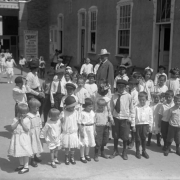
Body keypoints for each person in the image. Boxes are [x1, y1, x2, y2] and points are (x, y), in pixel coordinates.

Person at [110, 79, 135, 160]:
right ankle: (115, 150)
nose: (121, 88)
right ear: (117, 86)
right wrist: (111, 119)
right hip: (116, 118)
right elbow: (111, 108)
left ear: (125, 87)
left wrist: (131, 119)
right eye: (119, 86)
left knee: (125, 136)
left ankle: (124, 151)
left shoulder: (128, 96)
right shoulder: (113, 96)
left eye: (122, 87)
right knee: (115, 135)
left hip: (125, 119)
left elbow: (132, 109)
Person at [8, 103, 32, 174]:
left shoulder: (27, 120)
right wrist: (18, 122)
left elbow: (27, 129)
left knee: (25, 152)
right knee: (19, 151)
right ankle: (21, 164)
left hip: (24, 138)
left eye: (24, 113)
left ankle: (26, 166)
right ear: (18, 112)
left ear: (27, 113)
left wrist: (22, 123)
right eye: (21, 113)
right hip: (17, 138)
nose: (22, 114)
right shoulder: (15, 119)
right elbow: (12, 128)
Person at [61, 96, 80, 165]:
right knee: (66, 146)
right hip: (66, 132)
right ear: (67, 106)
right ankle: (66, 156)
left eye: (74, 106)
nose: (73, 108)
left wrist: (79, 131)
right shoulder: (63, 112)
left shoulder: (76, 112)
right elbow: (61, 121)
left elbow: (78, 121)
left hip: (73, 132)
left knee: (72, 146)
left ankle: (72, 157)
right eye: (71, 107)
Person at [134, 92, 153, 159]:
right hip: (138, 125)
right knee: (138, 139)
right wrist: (133, 126)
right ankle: (137, 151)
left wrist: (150, 126)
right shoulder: (136, 107)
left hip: (145, 125)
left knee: (144, 138)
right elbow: (133, 116)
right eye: (140, 100)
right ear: (138, 99)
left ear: (146, 100)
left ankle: (144, 151)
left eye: (143, 100)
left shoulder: (148, 108)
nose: (142, 101)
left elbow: (151, 118)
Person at [26, 98, 43, 167]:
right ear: (31, 107)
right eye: (36, 107)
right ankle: (32, 159)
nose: (38, 109)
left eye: (38, 107)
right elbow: (27, 125)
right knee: (32, 145)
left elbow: (39, 121)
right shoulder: (28, 115)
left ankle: (35, 156)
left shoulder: (37, 113)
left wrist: (41, 128)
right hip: (32, 132)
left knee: (36, 144)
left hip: (37, 131)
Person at [79, 98, 96, 163]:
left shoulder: (92, 112)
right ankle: (82, 156)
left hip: (91, 128)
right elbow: (79, 123)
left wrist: (94, 130)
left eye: (92, 106)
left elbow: (94, 122)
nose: (91, 107)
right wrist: (81, 131)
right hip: (84, 128)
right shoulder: (82, 113)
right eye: (89, 106)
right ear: (85, 106)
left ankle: (87, 154)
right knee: (83, 142)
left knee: (88, 142)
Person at [128, 78, 139, 149]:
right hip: (126, 111)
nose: (131, 85)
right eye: (130, 84)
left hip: (132, 111)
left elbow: (134, 102)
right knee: (127, 127)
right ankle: (126, 141)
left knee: (132, 127)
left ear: (135, 85)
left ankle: (132, 141)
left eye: (133, 84)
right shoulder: (127, 90)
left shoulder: (135, 92)